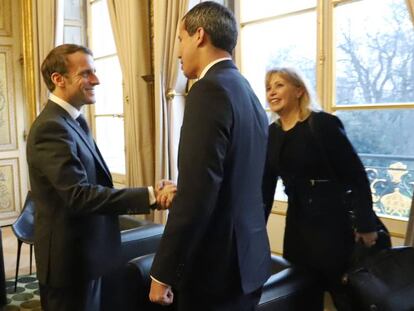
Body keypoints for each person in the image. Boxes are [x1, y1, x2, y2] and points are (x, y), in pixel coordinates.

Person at [26, 44, 173, 311]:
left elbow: (94, 185)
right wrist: (151, 195)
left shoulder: (73, 121)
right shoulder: (51, 127)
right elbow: (79, 196)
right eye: (85, 73)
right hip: (70, 263)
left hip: (88, 256)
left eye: (94, 71)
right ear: (58, 80)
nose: (96, 80)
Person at [149, 2, 271, 310]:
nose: (177, 52)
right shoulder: (247, 91)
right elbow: (235, 177)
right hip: (249, 259)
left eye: (179, 39)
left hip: (216, 267)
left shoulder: (208, 91)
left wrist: (162, 273)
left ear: (199, 35)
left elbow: (198, 196)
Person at [262, 67, 379, 310]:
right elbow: (265, 186)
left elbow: (356, 175)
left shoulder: (323, 124)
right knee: (301, 292)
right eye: (269, 87)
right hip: (297, 228)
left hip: (333, 226)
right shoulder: (271, 133)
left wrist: (366, 224)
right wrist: (255, 228)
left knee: (345, 294)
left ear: (299, 90)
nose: (272, 92)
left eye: (279, 85)